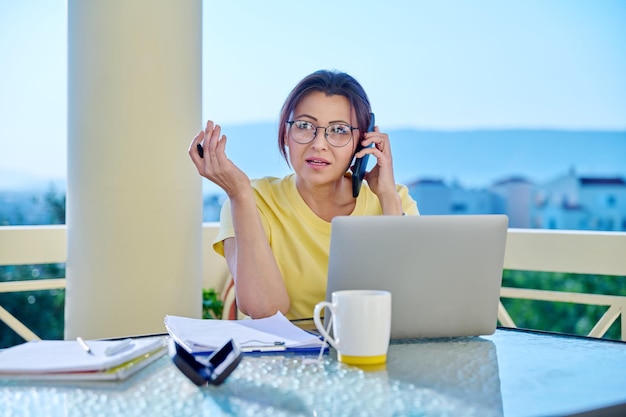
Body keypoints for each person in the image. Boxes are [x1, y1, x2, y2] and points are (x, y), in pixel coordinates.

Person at [189, 69, 418, 320]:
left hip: (371, 349)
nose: (319, 143)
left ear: (363, 141)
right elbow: (265, 310)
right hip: (285, 357)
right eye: (305, 126)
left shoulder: (394, 200)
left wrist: (387, 198)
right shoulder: (252, 199)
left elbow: (411, 302)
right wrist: (240, 194)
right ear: (286, 133)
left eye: (339, 130)